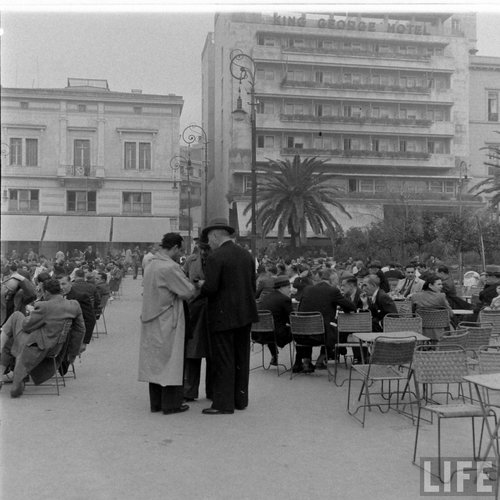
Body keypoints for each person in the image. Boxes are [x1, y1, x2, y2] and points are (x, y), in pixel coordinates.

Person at [199, 218, 258, 415]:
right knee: (242, 357)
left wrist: (200, 286)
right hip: (245, 314)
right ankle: (240, 399)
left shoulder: (217, 257)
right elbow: (252, 285)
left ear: (216, 235)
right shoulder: (247, 255)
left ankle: (223, 403)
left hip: (223, 316)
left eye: (209, 239)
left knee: (223, 358)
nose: (209, 243)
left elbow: (211, 288)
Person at [138, 233, 196, 415]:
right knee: (172, 360)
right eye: (180, 249)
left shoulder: (150, 264)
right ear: (176, 247)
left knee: (155, 361)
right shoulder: (170, 267)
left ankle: (156, 403)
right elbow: (187, 292)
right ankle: (171, 404)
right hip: (168, 318)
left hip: (151, 317)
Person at [0, 278, 85, 397]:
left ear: (46, 293)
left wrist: (31, 313)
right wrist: (73, 353)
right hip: (57, 347)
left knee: (16, 316)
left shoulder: (44, 306)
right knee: (12, 333)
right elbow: (80, 330)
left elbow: (26, 326)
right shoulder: (74, 305)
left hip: (37, 347)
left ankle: (5, 366)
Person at [296, 269, 357, 372]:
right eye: (337, 281)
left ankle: (306, 361)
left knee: (311, 323)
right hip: (322, 335)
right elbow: (351, 307)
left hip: (301, 333)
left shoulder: (307, 289)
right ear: (332, 279)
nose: (337, 283)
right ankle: (321, 358)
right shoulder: (333, 291)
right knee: (334, 328)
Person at [183, 236, 213, 402]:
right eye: (201, 247)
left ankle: (213, 390)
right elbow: (182, 277)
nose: (203, 251)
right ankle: (189, 391)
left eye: (206, 248)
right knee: (192, 350)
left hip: (213, 307)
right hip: (194, 306)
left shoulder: (218, 259)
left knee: (213, 351)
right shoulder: (190, 260)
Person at [257, 275, 293, 366]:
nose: (290, 290)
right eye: (289, 287)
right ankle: (299, 361)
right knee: (298, 331)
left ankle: (274, 355)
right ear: (282, 287)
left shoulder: (265, 297)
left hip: (259, 334)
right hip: (276, 335)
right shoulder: (285, 299)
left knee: (270, 326)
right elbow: (292, 320)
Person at [411, 274, 454, 340]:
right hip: (440, 330)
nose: (441, 286)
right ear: (430, 285)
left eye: (441, 284)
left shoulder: (415, 296)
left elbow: (412, 314)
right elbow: (450, 313)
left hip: (421, 330)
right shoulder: (441, 296)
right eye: (439, 284)